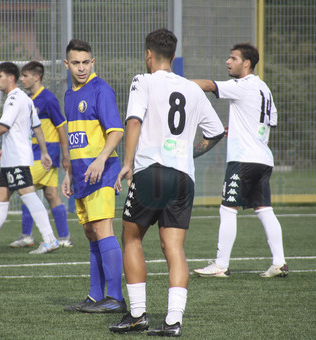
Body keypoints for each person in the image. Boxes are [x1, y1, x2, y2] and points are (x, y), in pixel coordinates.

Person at [109, 29, 225, 336]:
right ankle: (173, 321)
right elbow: (215, 133)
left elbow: (133, 121)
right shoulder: (191, 89)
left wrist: (127, 163)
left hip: (152, 172)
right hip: (183, 177)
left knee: (131, 238)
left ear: (148, 54)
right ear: (173, 57)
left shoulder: (142, 81)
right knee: (174, 248)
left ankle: (137, 315)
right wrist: (191, 153)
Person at [192, 43, 288, 278]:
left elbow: (208, 86)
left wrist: (173, 83)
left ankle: (220, 265)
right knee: (264, 209)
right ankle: (279, 262)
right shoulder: (264, 88)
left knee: (228, 209)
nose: (228, 61)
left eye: (233, 58)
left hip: (243, 159)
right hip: (263, 159)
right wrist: (235, 129)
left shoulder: (242, 85)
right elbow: (267, 122)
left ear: (246, 64)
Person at [0, 62, 59, 255]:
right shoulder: (26, 98)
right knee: (1, 197)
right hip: (11, 157)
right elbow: (36, 127)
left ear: (10, 78)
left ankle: (50, 239)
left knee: (29, 195)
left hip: (16, 159)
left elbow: (4, 126)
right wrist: (44, 152)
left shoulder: (14, 98)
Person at [61, 39, 126, 313]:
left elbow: (116, 131)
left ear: (93, 62)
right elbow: (74, 140)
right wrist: (67, 174)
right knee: (91, 233)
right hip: (80, 177)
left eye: (86, 62)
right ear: (67, 64)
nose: (81, 68)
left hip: (103, 172)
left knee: (102, 229)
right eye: (75, 63)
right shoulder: (69, 95)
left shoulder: (101, 90)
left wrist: (101, 159)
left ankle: (116, 298)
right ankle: (95, 296)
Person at [8, 61, 72, 249]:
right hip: (33, 153)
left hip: (45, 155)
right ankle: (65, 237)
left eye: (26, 75)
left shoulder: (48, 98)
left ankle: (28, 235)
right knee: (51, 194)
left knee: (25, 188)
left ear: (37, 77)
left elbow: (61, 127)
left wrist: (65, 155)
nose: (22, 79)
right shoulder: (28, 99)